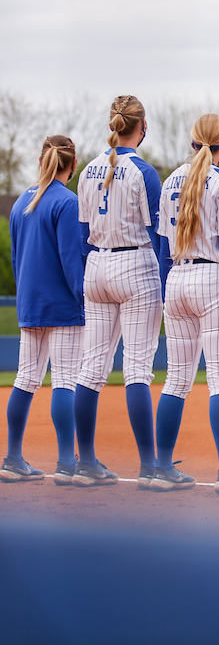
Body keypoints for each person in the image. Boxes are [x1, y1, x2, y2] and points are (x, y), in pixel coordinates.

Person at [73, 96, 165, 487]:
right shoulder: (144, 172)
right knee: (137, 369)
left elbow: (82, 237)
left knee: (91, 368)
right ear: (141, 127)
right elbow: (159, 236)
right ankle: (148, 466)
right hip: (134, 264)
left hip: (96, 266)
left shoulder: (87, 170)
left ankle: (85, 463)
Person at [154, 113, 219, 493]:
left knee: (176, 380)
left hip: (177, 277)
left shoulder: (170, 181)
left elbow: (162, 248)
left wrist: (168, 293)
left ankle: (161, 467)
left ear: (192, 143)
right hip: (214, 279)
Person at [2, 137, 85, 484]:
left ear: (41, 160)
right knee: (64, 380)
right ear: (73, 164)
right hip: (62, 306)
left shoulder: (21, 201)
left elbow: (16, 258)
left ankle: (12, 458)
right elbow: (71, 260)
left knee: (25, 379)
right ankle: (66, 461)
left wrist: (26, 299)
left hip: (31, 304)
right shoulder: (68, 202)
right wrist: (84, 300)